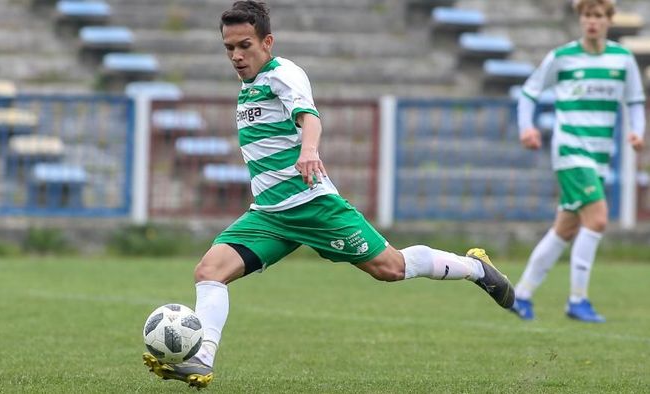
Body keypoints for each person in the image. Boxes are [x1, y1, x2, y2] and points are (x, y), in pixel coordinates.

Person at [142, 0, 514, 388]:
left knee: (390, 268)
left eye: (245, 46)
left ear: (267, 42)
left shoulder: (283, 74)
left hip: (312, 205)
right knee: (208, 271)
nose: (236, 56)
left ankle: (476, 268)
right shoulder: (248, 86)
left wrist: (308, 149)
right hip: (269, 215)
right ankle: (201, 359)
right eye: (229, 48)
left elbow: (309, 117)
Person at [511, 0, 646, 322]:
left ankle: (522, 294)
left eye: (598, 16)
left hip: (600, 155)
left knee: (565, 229)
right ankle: (577, 300)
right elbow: (529, 93)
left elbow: (635, 101)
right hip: (571, 151)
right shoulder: (562, 57)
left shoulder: (622, 59)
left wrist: (637, 132)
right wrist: (526, 127)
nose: (592, 22)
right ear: (580, 19)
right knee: (597, 218)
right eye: (587, 15)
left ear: (609, 20)